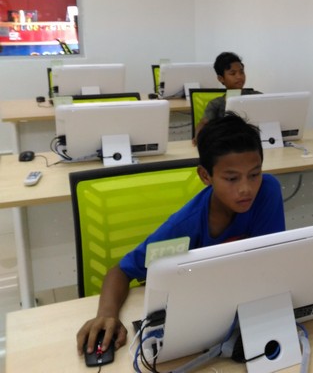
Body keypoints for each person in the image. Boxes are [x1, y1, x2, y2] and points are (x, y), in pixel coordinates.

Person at [77, 112, 285, 356]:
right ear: (205, 176)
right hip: (199, 326)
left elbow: (270, 261)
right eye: (231, 178)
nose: (246, 188)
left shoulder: (267, 190)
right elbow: (121, 271)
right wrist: (107, 314)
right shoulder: (183, 227)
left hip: (240, 311)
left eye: (254, 174)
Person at [192, 52, 261, 144]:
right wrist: (199, 137)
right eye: (233, 73)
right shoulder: (216, 104)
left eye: (241, 72)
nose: (239, 77)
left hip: (253, 142)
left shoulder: (257, 97)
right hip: (226, 145)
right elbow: (203, 124)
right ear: (221, 78)